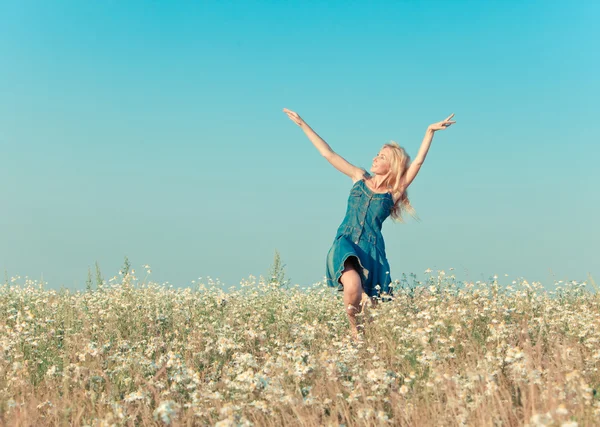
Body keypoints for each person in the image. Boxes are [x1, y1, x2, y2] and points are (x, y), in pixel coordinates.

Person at [283, 108, 456, 340]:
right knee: (352, 285)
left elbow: (417, 163)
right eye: (377, 154)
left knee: (374, 309)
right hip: (345, 242)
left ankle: (367, 337)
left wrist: (429, 132)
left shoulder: (393, 192)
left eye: (382, 157)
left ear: (392, 166)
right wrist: (302, 124)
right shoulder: (358, 176)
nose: (375, 158)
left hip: (372, 250)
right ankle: (354, 330)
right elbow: (328, 154)